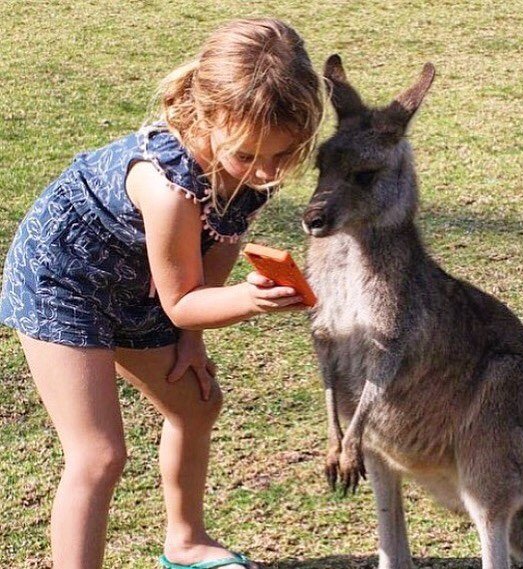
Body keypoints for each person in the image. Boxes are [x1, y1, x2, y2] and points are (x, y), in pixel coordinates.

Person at [0, 18, 323, 569]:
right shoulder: (166, 184)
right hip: (65, 280)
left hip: (139, 283)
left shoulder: (247, 172)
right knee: (98, 454)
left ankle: (186, 541)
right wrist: (253, 300)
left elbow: (207, 269)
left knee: (197, 407)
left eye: (284, 154)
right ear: (207, 114)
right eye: (250, 156)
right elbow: (181, 299)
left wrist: (191, 340)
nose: (267, 172)